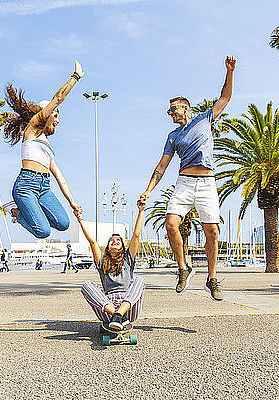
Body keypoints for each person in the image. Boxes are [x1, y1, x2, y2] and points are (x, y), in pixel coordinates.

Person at [139, 55, 237, 301]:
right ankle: (183, 268)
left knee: (212, 230)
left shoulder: (205, 119)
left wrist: (229, 72)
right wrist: (149, 190)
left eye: (172, 109)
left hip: (207, 183)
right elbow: (162, 165)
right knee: (171, 223)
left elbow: (225, 97)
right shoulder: (172, 136)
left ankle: (212, 279)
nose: (170, 113)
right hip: (184, 182)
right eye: (168, 110)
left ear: (185, 108)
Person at [1, 61, 84, 238]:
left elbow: (61, 179)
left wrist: (72, 202)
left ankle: (31, 209)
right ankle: (16, 211)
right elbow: (57, 99)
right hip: (26, 186)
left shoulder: (48, 148)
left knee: (63, 224)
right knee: (43, 232)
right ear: (45, 114)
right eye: (55, 115)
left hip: (45, 187)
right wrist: (75, 77)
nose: (58, 120)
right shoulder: (32, 129)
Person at [79, 200, 146, 330]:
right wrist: (80, 219)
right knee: (86, 285)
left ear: (122, 246)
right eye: (111, 241)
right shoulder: (102, 261)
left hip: (128, 308)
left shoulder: (127, 260)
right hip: (107, 308)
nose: (115, 241)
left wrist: (141, 211)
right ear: (108, 247)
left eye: (118, 240)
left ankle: (119, 314)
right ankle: (116, 315)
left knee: (139, 280)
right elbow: (92, 242)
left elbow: (136, 235)